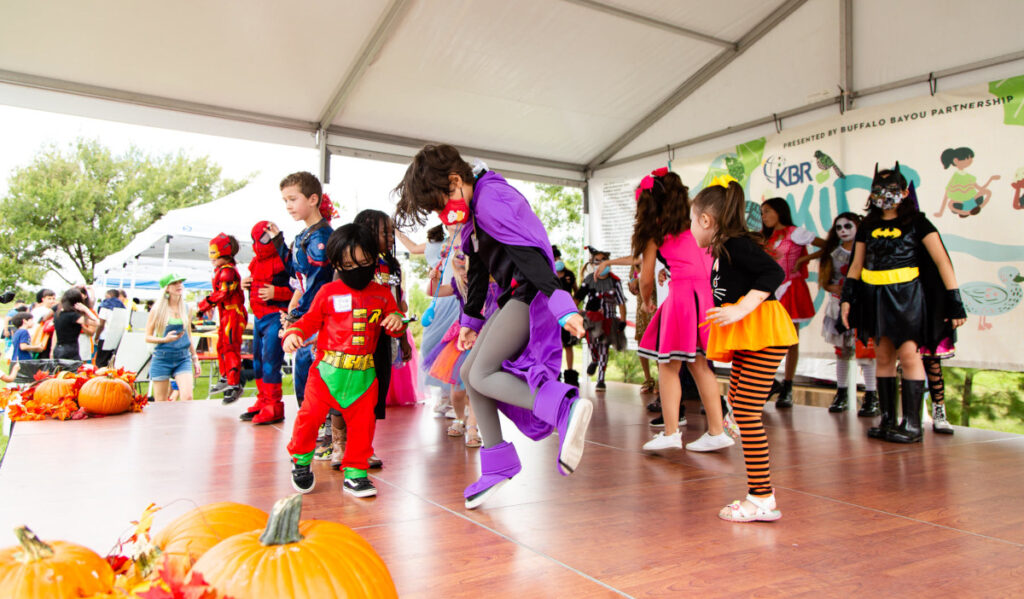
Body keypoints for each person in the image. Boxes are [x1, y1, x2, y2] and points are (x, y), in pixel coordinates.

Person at [393, 144, 590, 511]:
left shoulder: (491, 199)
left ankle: (562, 405)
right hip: (512, 297)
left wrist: (562, 306)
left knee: (482, 372)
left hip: (531, 297)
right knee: (469, 372)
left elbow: (533, 255)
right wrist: (470, 321)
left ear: (456, 181)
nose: (441, 213)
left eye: (440, 203)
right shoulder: (475, 207)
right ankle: (498, 462)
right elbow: (481, 270)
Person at [691, 176, 798, 522]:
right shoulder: (722, 251)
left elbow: (773, 272)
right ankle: (737, 421)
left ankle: (761, 498)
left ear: (706, 221)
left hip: (762, 333)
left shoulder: (735, 244)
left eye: (693, 221)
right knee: (739, 404)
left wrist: (740, 309)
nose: (691, 229)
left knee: (749, 413)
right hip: (750, 336)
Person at [841, 163, 966, 443]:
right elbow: (856, 265)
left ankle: (912, 424)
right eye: (879, 190)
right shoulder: (868, 225)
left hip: (908, 297)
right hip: (876, 297)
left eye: (892, 190)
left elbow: (941, 261)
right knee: (883, 356)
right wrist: (847, 299)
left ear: (904, 191)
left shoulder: (918, 222)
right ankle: (887, 420)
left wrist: (954, 301)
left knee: (909, 355)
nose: (885, 195)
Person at [283, 223, 407, 498]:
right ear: (337, 263)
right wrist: (293, 333)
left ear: (374, 260)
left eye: (364, 263)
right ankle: (301, 462)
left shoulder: (383, 294)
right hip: (326, 373)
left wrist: (397, 322)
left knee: (363, 427)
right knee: (309, 418)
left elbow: (395, 326)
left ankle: (355, 473)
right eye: (349, 265)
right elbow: (309, 321)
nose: (357, 270)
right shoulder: (327, 292)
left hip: (363, 377)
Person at [633, 168, 733, 453]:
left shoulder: (656, 230)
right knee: (700, 364)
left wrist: (645, 300)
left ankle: (671, 431)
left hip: (682, 298)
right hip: (707, 297)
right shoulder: (698, 223)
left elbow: (646, 277)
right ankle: (716, 430)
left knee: (667, 365)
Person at [277, 171, 336, 460]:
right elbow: (299, 279)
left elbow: (317, 283)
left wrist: (297, 316)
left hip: (321, 318)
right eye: (285, 200)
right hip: (306, 316)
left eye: (293, 199)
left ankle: (323, 434)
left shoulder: (323, 237)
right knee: (304, 376)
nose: (288, 205)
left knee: (317, 377)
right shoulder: (304, 235)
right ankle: (313, 433)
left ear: (313, 199)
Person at [424, 242, 500, 448]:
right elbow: (433, 292)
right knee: (457, 392)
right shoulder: (459, 286)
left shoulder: (494, 286)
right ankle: (460, 418)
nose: (465, 273)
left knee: (475, 388)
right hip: (461, 339)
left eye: (469, 268)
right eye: (460, 269)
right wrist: (434, 280)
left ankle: (473, 427)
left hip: (485, 339)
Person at [354, 209, 414, 467]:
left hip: (383, 339)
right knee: (354, 393)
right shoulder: (354, 265)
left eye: (391, 232)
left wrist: (401, 339)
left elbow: (397, 304)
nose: (391, 237)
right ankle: (340, 444)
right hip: (356, 340)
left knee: (375, 394)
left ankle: (364, 447)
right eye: (385, 232)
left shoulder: (392, 266)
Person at [761, 197, 825, 408]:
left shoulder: (795, 232)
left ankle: (787, 386)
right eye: (762, 213)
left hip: (791, 288)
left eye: (768, 211)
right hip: (771, 290)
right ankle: (770, 383)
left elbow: (827, 245)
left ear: (780, 211)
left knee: (790, 340)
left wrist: (804, 259)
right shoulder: (766, 238)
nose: (764, 216)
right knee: (767, 340)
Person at [818, 213, 878, 414]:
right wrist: (832, 287)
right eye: (838, 227)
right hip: (838, 307)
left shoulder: (868, 251)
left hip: (862, 307)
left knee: (867, 352)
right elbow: (826, 280)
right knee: (842, 351)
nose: (843, 230)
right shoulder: (833, 254)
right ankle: (841, 392)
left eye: (847, 226)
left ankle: (872, 395)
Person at [238, 221, 292, 424]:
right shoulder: (255, 262)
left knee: (271, 362)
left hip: (275, 316)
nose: (262, 242)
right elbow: (255, 283)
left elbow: (297, 288)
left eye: (266, 237)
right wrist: (246, 284)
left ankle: (274, 405)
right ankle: (263, 400)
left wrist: (276, 292)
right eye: (259, 238)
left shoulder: (283, 260)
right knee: (259, 361)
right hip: (259, 318)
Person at [198, 233, 248, 404]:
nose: (211, 257)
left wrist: (203, 305)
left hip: (234, 314)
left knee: (230, 347)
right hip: (226, 313)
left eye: (214, 252)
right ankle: (227, 377)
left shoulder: (228, 272)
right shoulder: (221, 270)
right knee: (222, 346)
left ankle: (234, 383)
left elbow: (223, 293)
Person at [420, 225, 461, 417]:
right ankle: (447, 397)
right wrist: (435, 280)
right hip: (444, 301)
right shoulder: (442, 249)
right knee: (434, 348)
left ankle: (462, 408)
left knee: (459, 356)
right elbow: (432, 291)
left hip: (465, 309)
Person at [574, 246, 627, 391]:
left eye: (604, 260)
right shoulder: (589, 280)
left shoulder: (615, 281)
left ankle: (601, 379)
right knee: (592, 344)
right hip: (591, 319)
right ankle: (595, 359)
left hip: (608, 319)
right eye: (597, 261)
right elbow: (578, 297)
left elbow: (621, 301)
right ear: (593, 263)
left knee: (604, 346)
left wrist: (623, 320)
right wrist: (569, 312)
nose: (601, 263)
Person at [145, 274, 201, 402]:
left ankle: (184, 422)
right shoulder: (157, 310)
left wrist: (195, 358)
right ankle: (166, 422)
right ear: (167, 288)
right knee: (161, 401)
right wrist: (164, 340)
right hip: (162, 357)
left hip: (183, 357)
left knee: (187, 397)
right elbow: (147, 337)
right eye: (175, 283)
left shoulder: (187, 308)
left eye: (180, 282)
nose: (179, 285)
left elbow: (188, 335)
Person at [552, 245, 581, 387]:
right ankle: (555, 373)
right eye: (554, 258)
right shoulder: (549, 275)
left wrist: (575, 304)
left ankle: (570, 373)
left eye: (558, 257)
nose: (557, 260)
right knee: (557, 345)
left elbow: (577, 291)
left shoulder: (569, 275)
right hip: (553, 315)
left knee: (568, 344)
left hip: (567, 312)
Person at [52, 288, 99, 361]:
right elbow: (97, 322)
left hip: (58, 348)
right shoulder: (73, 316)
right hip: (70, 350)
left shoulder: (57, 314)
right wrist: (86, 309)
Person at [93, 289, 126, 367]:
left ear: (109, 295)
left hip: (105, 337)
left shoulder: (105, 305)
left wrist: (97, 336)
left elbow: (101, 324)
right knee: (110, 362)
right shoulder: (122, 307)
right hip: (116, 337)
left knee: (100, 362)